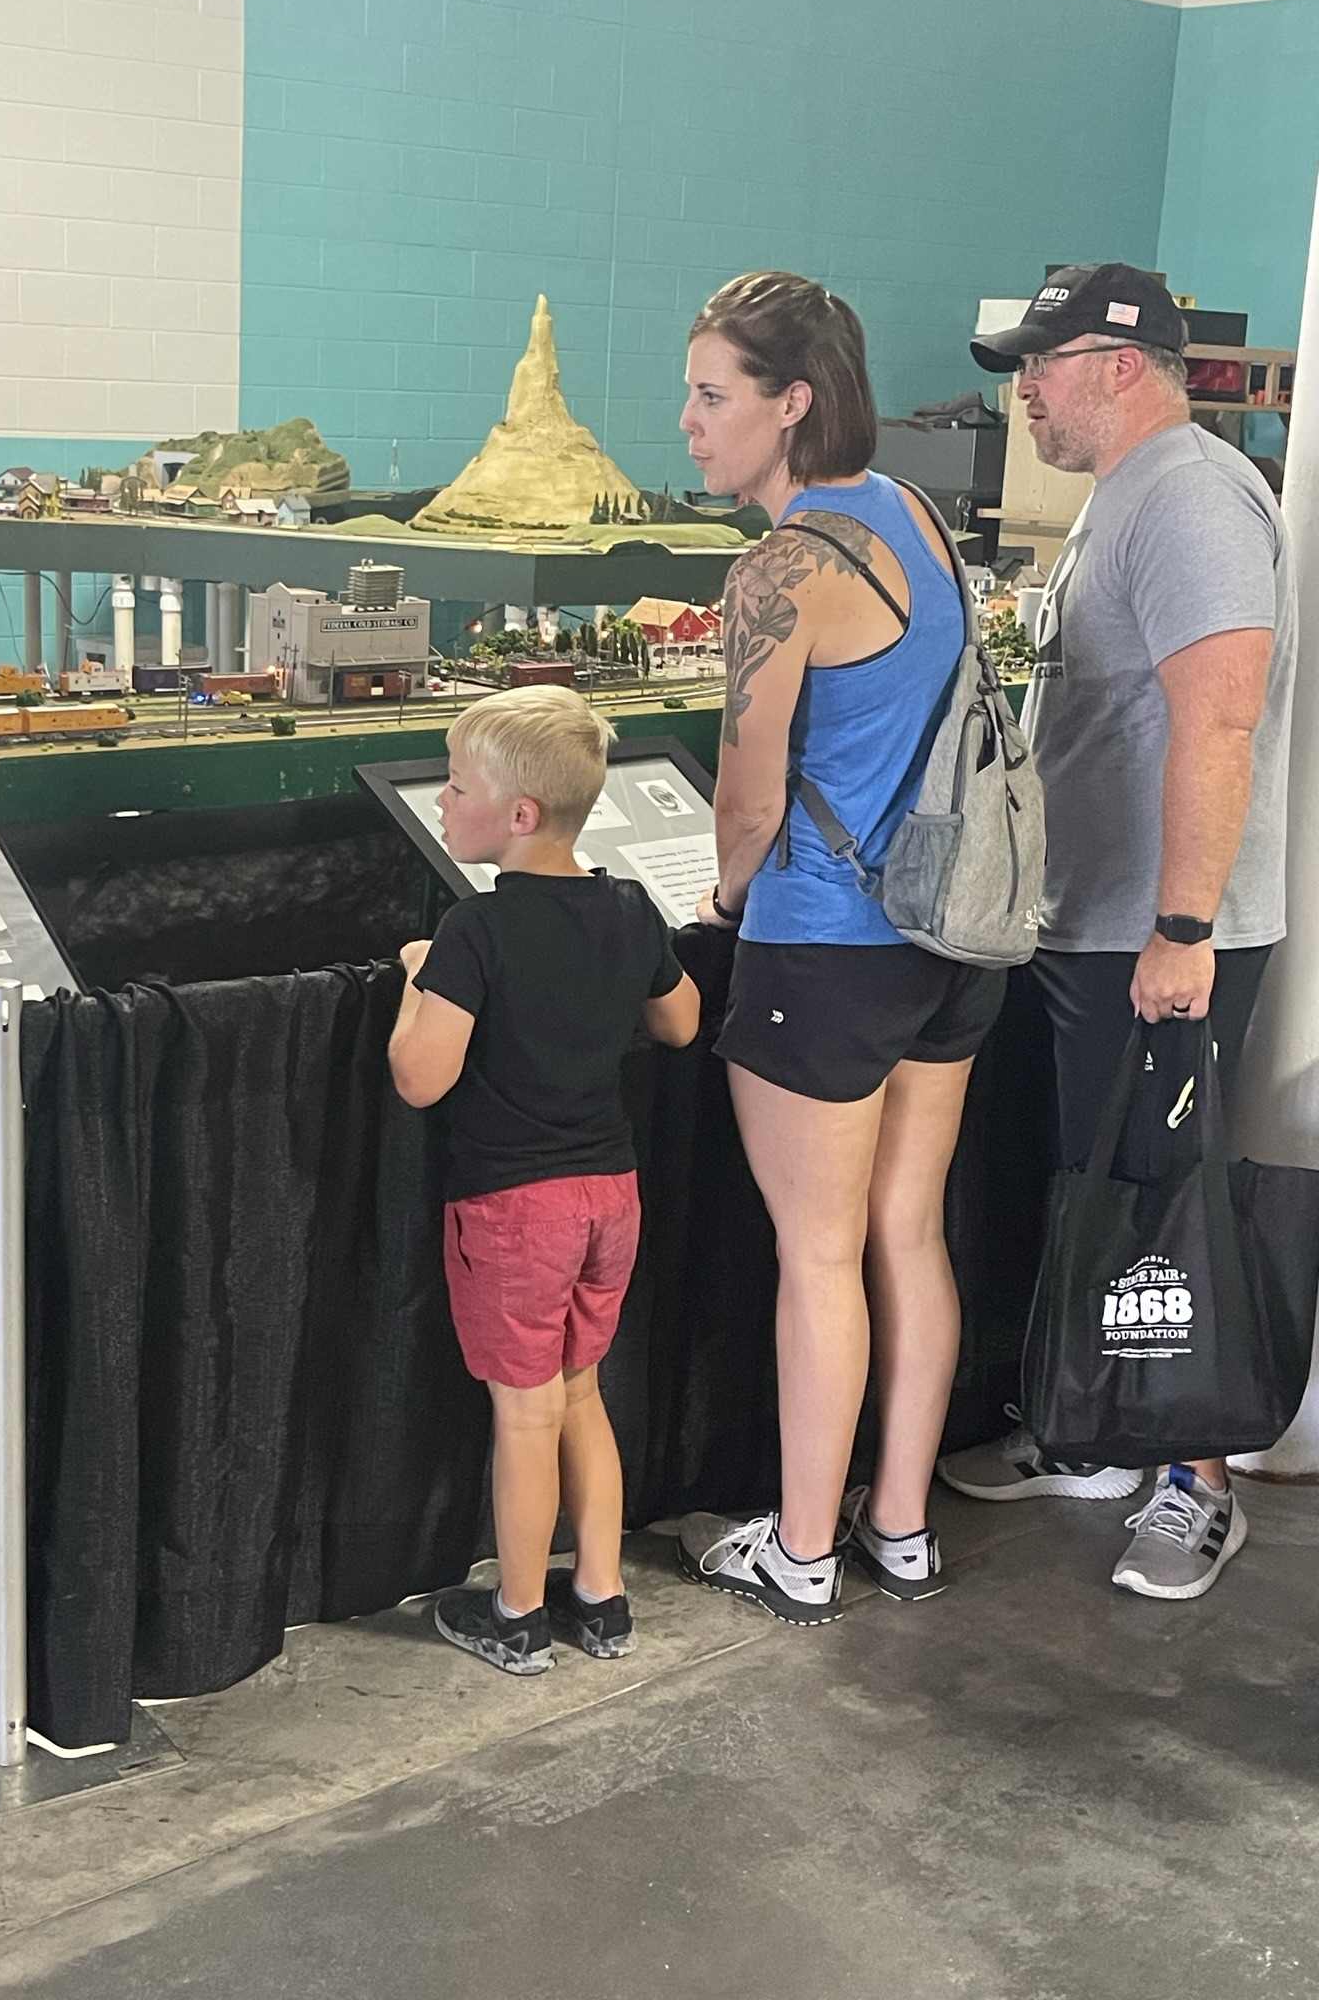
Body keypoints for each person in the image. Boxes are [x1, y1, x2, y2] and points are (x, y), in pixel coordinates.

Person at [939, 262, 1298, 1601]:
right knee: (1098, 1184)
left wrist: (1184, 927)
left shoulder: (1193, 497)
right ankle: (1094, 1429)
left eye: (1041, 362)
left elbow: (1220, 717)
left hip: (1162, 933)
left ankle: (1193, 1481)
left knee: (1164, 1202)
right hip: (1091, 926)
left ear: (1122, 364)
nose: (1023, 390)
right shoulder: (1125, 497)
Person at [674, 271, 1007, 1625]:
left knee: (816, 1253)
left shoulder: (782, 567)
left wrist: (724, 896)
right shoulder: (914, 513)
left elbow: (748, 797)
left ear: (789, 402)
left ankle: (802, 1550)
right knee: (906, 1231)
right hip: (952, 931)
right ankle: (904, 1525)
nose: (689, 422)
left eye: (711, 394)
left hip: (829, 943)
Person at [388, 686, 701, 1674]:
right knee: (583, 1393)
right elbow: (682, 1019)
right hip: (611, 1193)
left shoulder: (474, 931)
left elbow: (419, 1073)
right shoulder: (624, 906)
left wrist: (416, 972)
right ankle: (600, 1598)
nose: (442, 799)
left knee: (524, 1414)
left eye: (458, 782)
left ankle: (518, 1611)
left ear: (518, 813)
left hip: (515, 1208)